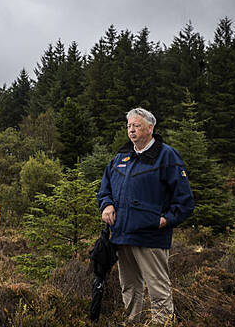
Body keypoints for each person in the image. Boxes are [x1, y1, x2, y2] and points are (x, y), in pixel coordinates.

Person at [97, 107, 194, 325]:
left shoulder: (167, 155)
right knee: (129, 286)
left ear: (150, 128)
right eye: (129, 126)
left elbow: (185, 200)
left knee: (158, 286)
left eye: (136, 126)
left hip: (151, 235)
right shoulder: (120, 157)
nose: (131, 130)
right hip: (122, 235)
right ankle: (133, 322)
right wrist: (107, 205)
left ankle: (163, 323)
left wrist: (165, 219)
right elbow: (105, 189)